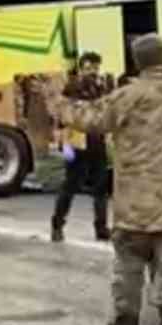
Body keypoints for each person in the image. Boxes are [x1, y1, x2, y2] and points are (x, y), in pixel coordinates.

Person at [57, 33, 162, 325]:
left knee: (129, 264)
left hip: (135, 200)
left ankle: (127, 324)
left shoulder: (128, 96)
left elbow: (88, 119)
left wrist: (58, 101)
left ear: (137, 61)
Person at [52, 52, 112, 243]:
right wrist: (64, 146)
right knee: (71, 184)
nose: (92, 72)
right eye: (88, 68)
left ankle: (101, 228)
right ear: (81, 68)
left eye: (95, 68)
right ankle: (57, 224)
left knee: (101, 186)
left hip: (96, 142)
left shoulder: (101, 87)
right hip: (77, 143)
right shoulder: (72, 87)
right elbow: (61, 116)